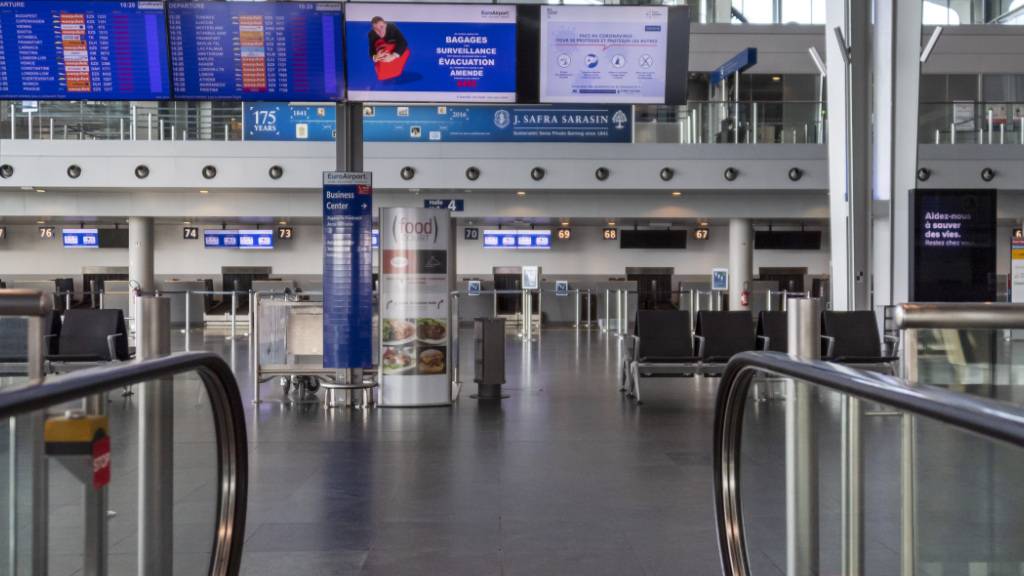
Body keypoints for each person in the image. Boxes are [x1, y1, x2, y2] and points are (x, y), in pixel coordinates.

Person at [368, 16, 410, 81]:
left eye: (381, 27)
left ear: (385, 25)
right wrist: (376, 57)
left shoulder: (392, 27)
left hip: (396, 54)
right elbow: (371, 51)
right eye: (376, 28)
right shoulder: (371, 34)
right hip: (383, 59)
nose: (380, 31)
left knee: (406, 51)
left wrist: (392, 56)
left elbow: (403, 42)